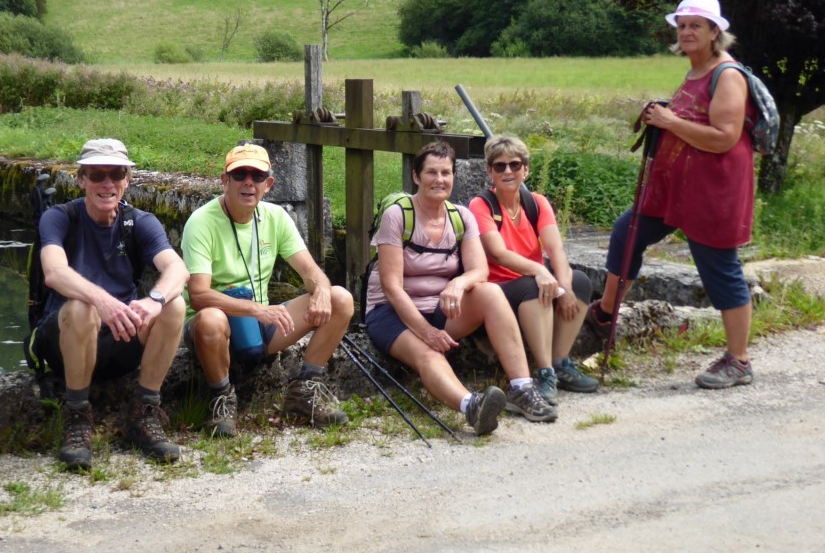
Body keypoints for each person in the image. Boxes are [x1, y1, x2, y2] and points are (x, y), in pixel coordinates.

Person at [586, 0, 757, 389]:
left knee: (719, 268)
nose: (686, 32)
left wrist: (669, 121)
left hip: (712, 191)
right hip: (674, 188)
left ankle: (739, 361)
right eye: (682, 25)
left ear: (715, 31)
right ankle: (606, 313)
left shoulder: (726, 75)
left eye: (696, 25)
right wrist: (662, 116)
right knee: (627, 231)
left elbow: (724, 138)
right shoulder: (696, 71)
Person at [364, 141, 557, 435]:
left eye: (446, 173)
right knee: (429, 353)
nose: (439, 180)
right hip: (391, 312)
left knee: (490, 292)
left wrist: (458, 282)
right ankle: (472, 407)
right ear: (416, 176)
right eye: (431, 172)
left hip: (440, 307)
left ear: (454, 176)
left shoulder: (461, 217)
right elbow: (391, 287)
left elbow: (479, 270)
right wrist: (426, 332)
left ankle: (521, 388)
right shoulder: (398, 215)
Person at [35, 138, 188, 470]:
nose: (107, 183)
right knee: (81, 307)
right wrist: (102, 300)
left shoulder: (140, 222)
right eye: (97, 174)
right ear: (81, 179)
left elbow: (177, 269)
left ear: (127, 180)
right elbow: (54, 272)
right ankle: (77, 417)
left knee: (174, 306)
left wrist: (154, 301)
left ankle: (143, 414)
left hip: (118, 335)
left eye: (116, 173)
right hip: (64, 339)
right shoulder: (59, 218)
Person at [181, 143, 354, 437]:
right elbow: (198, 295)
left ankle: (304, 391)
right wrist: (256, 309)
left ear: (268, 184)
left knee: (341, 299)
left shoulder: (275, 217)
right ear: (225, 180)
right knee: (212, 319)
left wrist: (322, 290)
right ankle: (222, 398)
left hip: (259, 325)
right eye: (239, 174)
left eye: (257, 176)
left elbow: (311, 272)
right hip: (212, 327)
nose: (248, 182)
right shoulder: (201, 221)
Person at [469, 135, 599, 406]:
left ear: (526, 169)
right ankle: (544, 372)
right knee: (534, 285)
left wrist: (565, 288)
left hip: (533, 278)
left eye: (515, 165)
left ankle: (560, 362)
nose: (507, 171)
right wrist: (539, 271)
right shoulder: (481, 205)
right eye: (499, 166)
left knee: (580, 281)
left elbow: (555, 249)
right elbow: (498, 253)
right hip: (500, 286)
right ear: (489, 171)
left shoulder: (537, 203)